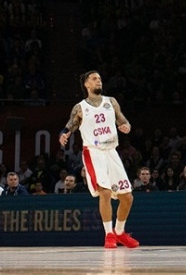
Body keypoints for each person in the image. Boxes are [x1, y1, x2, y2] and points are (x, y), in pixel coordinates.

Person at [58, 70, 139, 248]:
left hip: (111, 151)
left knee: (128, 197)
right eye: (94, 79)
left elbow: (123, 120)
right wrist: (64, 134)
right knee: (105, 192)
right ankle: (108, 234)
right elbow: (69, 126)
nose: (98, 82)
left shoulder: (111, 102)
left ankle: (119, 232)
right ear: (86, 84)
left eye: (100, 79)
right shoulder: (80, 107)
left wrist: (126, 126)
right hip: (94, 152)